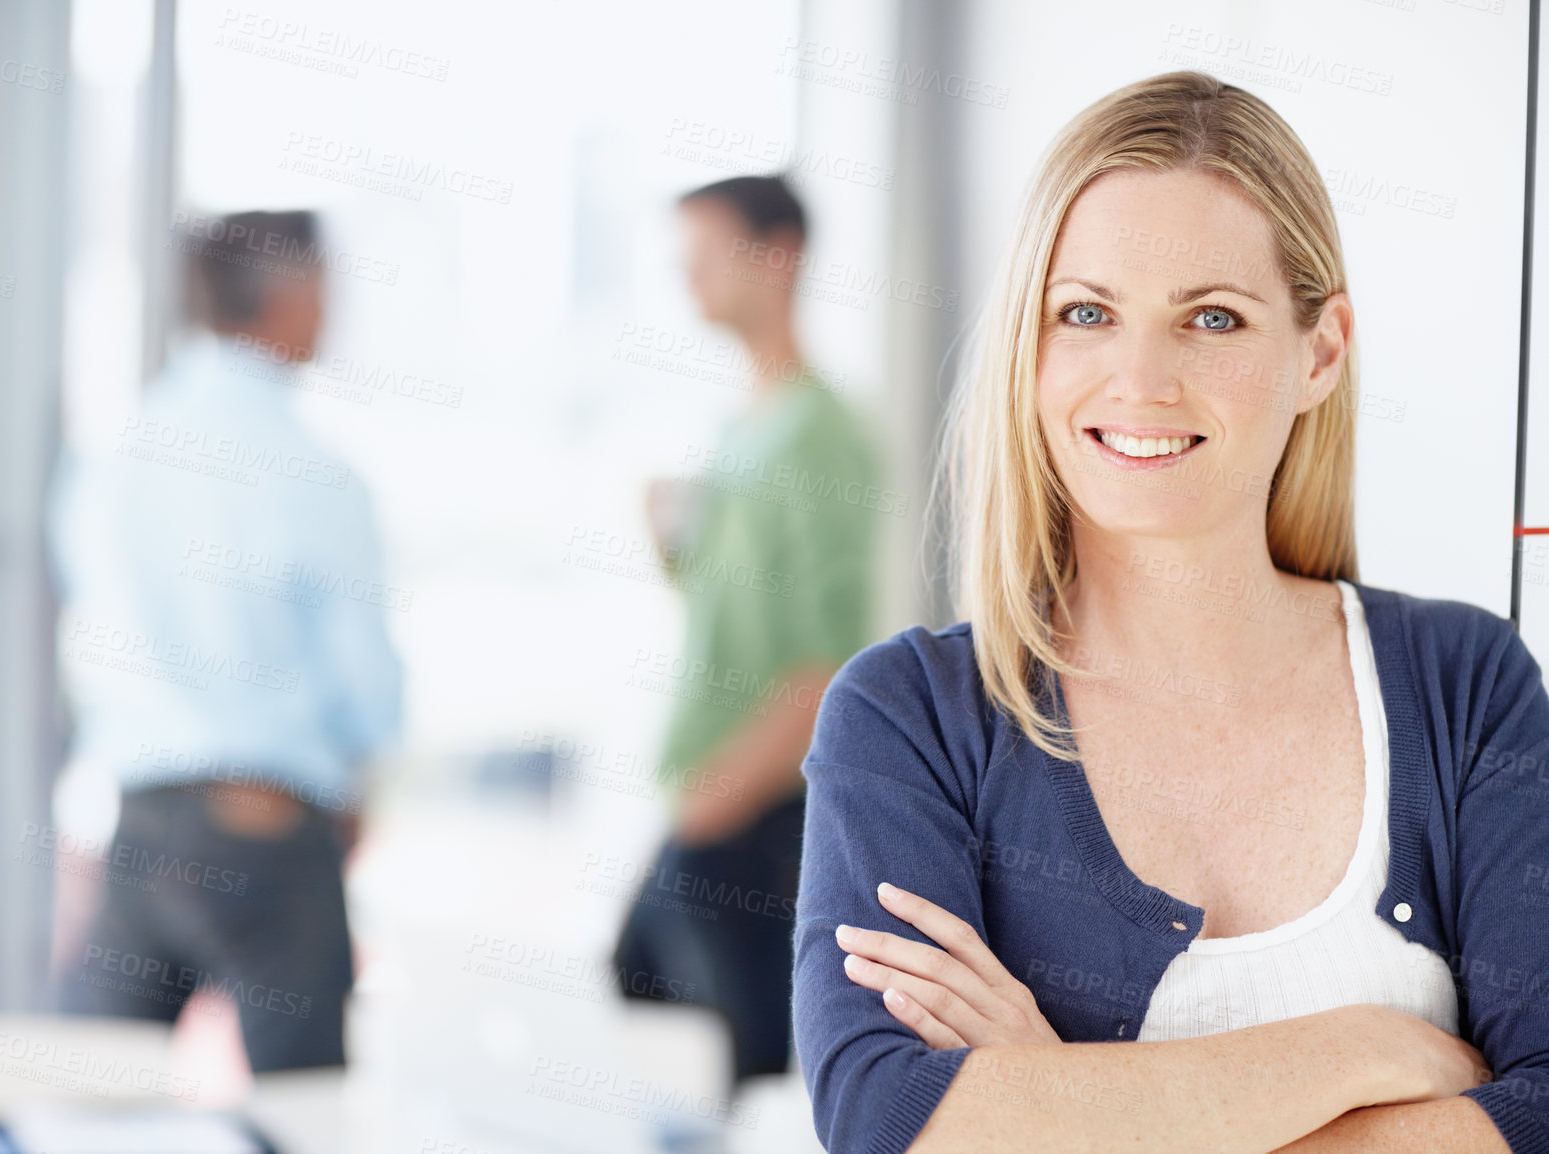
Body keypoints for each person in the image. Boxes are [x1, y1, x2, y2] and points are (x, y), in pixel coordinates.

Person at [794, 71, 1549, 1153]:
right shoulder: (912, 717)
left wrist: (1063, 1103)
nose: (1140, 378)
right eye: (1086, 312)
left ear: (1319, 351)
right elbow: (886, 1118)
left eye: (1210, 317)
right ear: (1030, 344)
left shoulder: (1461, 682)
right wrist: (1360, 1050)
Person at [48, 209, 403, 1072]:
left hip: (137, 828)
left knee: (89, 1116)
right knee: (305, 1121)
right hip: (266, 827)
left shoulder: (113, 453)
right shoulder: (314, 469)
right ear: (291, 295)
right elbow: (369, 701)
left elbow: (87, 635)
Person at [612, 175, 886, 1084]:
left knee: (749, 1065)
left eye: (706, 251)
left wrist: (713, 802)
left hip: (757, 810)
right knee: (654, 1015)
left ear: (780, 257)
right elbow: (735, 619)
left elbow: (829, 665)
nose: (685, 273)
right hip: (709, 793)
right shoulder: (742, 430)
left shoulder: (821, 437)